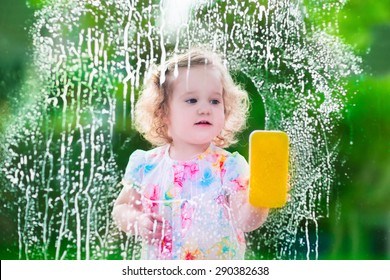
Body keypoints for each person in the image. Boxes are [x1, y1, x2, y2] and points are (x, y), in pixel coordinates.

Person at [112, 48, 269, 260]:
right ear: (163, 112)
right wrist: (138, 221)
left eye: (214, 101)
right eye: (192, 100)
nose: (205, 108)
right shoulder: (146, 165)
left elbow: (245, 222)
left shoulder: (229, 166)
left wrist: (261, 197)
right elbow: (121, 208)